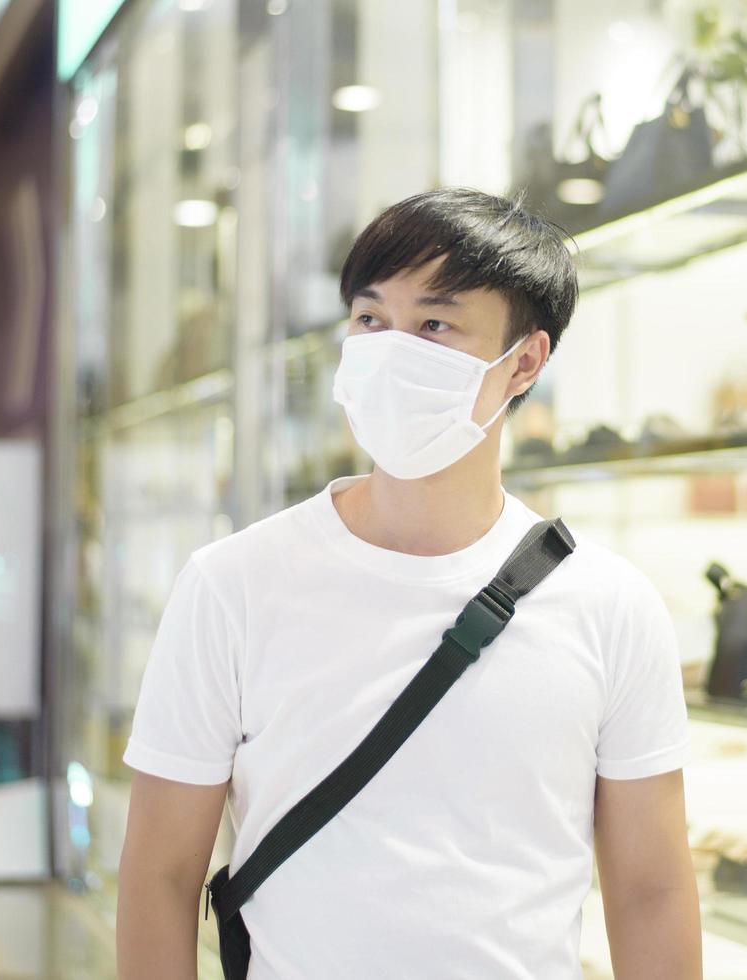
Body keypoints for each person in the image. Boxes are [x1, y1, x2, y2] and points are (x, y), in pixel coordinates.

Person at [116, 188, 701, 978]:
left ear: (524, 361)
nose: (391, 350)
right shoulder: (232, 586)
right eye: (369, 319)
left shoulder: (610, 607)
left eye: (434, 324)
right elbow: (159, 878)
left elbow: (651, 893)